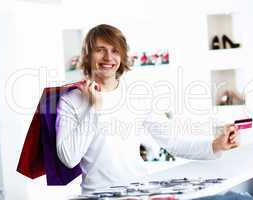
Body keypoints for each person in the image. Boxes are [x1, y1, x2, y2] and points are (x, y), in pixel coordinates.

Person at [55, 24, 239, 195]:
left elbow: (172, 140)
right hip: (98, 195)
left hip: (137, 191)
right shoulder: (71, 101)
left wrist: (215, 145)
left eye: (114, 51)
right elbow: (69, 158)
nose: (108, 58)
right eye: (100, 50)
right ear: (87, 56)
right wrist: (94, 108)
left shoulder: (137, 96)